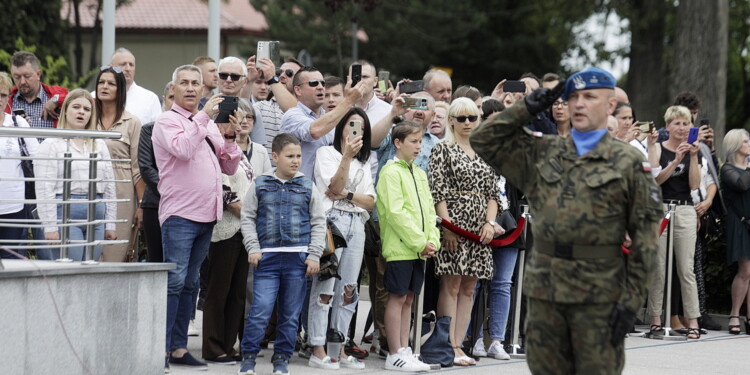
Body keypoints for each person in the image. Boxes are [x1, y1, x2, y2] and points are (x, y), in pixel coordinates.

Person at [471, 67, 662, 374]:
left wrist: (630, 301)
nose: (579, 104)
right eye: (573, 97)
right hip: (546, 293)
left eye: (590, 97)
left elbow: (645, 237)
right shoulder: (544, 151)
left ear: (610, 105)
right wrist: (529, 104)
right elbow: (483, 139)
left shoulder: (627, 161)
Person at [152, 64, 241, 371]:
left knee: (190, 285)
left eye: (195, 84)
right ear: (173, 89)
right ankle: (160, 351)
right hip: (180, 215)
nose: (190, 88)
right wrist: (204, 118)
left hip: (207, 215)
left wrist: (230, 138)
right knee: (175, 283)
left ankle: (177, 349)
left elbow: (228, 168)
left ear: (203, 90)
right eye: (184, 83)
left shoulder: (208, 124)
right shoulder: (167, 121)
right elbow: (183, 150)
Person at [238, 134, 325, 375]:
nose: (296, 160)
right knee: (260, 310)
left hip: (297, 259)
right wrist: (253, 247)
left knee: (289, 315)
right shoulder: (261, 183)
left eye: (298, 156)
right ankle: (248, 358)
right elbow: (248, 217)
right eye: (290, 156)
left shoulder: (307, 186)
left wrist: (314, 254)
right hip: (266, 258)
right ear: (275, 157)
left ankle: (282, 359)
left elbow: (319, 221)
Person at [429, 98, 500, 366]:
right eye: (461, 118)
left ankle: (460, 343)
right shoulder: (443, 149)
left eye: (472, 117)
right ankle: (448, 345)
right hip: (454, 223)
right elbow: (438, 190)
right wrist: (447, 227)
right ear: (451, 121)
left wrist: (490, 223)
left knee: (470, 287)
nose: (468, 123)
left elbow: (494, 192)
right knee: (452, 284)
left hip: (481, 226)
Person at [307, 107, 376, 370]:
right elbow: (332, 187)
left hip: (356, 224)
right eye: (351, 125)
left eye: (361, 127)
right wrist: (346, 157)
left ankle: (340, 345)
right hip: (331, 222)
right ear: (341, 128)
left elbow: (369, 202)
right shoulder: (326, 153)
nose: (355, 131)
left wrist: (347, 195)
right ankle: (317, 346)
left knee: (349, 289)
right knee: (325, 286)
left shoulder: (366, 162)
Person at [376, 121, 439, 372]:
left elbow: (429, 210)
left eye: (420, 141)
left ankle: (404, 349)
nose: (418, 146)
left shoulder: (419, 173)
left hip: (420, 248)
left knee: (410, 299)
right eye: (413, 141)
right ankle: (394, 353)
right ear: (397, 143)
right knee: (397, 297)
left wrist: (432, 239)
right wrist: (419, 242)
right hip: (402, 247)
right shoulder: (390, 172)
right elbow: (395, 212)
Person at [34, 89, 118, 261]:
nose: (81, 112)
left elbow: (110, 185)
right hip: (66, 213)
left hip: (97, 214)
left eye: (87, 109)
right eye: (76, 107)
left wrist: (110, 224)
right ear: (65, 110)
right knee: (71, 269)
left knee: (91, 271)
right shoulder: (51, 143)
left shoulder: (99, 144)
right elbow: (44, 188)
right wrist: (50, 227)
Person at [647, 105, 702, 340]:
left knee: (685, 268)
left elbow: (694, 185)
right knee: (658, 267)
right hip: (661, 208)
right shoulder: (658, 147)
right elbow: (655, 180)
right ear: (667, 126)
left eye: (686, 123)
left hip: (685, 210)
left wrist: (692, 156)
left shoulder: (694, 151)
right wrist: (675, 160)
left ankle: (693, 321)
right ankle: (655, 320)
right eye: (677, 123)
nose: (682, 128)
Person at [201, 112, 249, 365]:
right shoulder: (212, 148)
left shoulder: (239, 152)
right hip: (225, 228)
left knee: (237, 292)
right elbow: (219, 186)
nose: (235, 125)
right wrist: (245, 210)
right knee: (218, 290)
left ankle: (229, 345)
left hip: (245, 230)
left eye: (240, 120)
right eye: (228, 121)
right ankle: (212, 346)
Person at [94, 65, 144, 262]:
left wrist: (141, 206)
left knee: (115, 253)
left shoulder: (132, 122)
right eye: (101, 82)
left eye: (111, 83)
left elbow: (137, 168)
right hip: (91, 190)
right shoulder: (88, 117)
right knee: (89, 253)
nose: (104, 86)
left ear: (120, 89)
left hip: (122, 193)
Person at [280, 66, 365, 179]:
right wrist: (348, 101)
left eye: (322, 83)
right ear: (298, 90)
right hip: (300, 191)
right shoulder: (291, 116)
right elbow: (314, 131)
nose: (320, 87)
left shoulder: (331, 118)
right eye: (314, 83)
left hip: (329, 192)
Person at [0, 71, 40, 258]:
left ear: (9, 97)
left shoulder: (18, 123)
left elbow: (38, 157)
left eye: (3, 95)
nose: (0, 99)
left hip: (13, 205)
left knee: (10, 261)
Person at [720, 129, 750, 335]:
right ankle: (734, 314)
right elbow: (741, 185)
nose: (749, 144)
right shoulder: (728, 169)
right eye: (746, 141)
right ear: (736, 145)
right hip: (739, 222)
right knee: (745, 271)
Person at [6, 51, 67, 129]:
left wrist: (57, 100)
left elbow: (79, 99)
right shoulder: (5, 99)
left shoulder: (53, 94)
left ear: (38, 74)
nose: (22, 82)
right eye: (17, 77)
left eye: (27, 76)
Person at [109, 48, 162, 125]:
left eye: (131, 65)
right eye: (123, 64)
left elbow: (157, 132)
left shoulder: (150, 99)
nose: (128, 68)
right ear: (111, 67)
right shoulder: (95, 96)